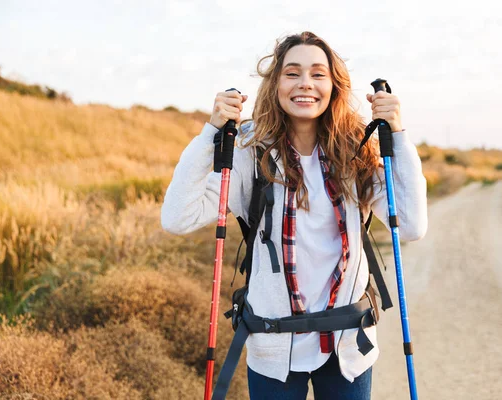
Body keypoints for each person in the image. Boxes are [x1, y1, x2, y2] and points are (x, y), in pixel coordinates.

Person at [161, 31, 428, 400]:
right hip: (273, 351)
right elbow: (177, 217)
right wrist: (211, 133)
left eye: (318, 74)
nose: (306, 84)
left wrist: (397, 135)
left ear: (334, 86)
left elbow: (412, 226)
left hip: (348, 346)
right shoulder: (248, 153)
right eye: (292, 73)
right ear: (275, 84)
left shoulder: (357, 152)